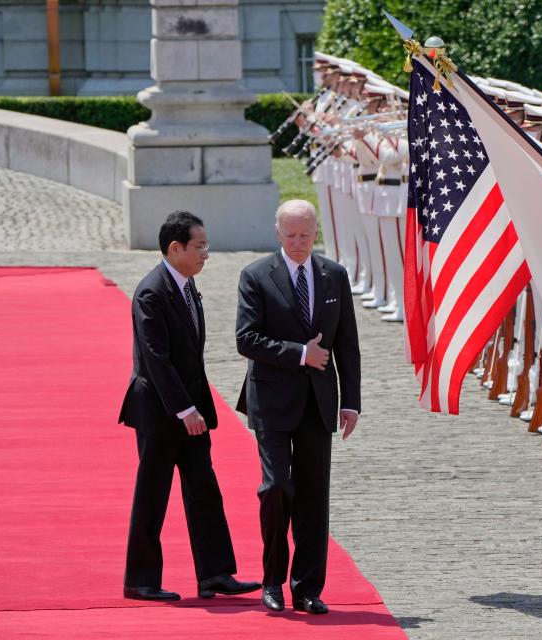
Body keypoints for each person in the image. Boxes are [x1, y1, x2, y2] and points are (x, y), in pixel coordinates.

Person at [119, 211, 261, 601]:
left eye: (206, 246)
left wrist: (197, 408)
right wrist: (184, 409)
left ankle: (214, 573)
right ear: (175, 248)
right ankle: (141, 580)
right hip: (162, 413)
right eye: (199, 247)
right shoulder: (152, 291)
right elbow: (155, 358)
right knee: (153, 493)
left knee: (204, 490)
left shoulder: (186, 284)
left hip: (192, 413)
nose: (206, 254)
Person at [235, 199, 361, 615]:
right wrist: (298, 354)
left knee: (312, 497)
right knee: (276, 488)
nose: (297, 242)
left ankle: (307, 587)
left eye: (305, 234)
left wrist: (352, 402)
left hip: (318, 403)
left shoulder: (334, 276)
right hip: (271, 400)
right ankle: (272, 579)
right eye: (290, 235)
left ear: (316, 231)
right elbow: (246, 339)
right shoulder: (256, 276)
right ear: (277, 233)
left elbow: (347, 343)